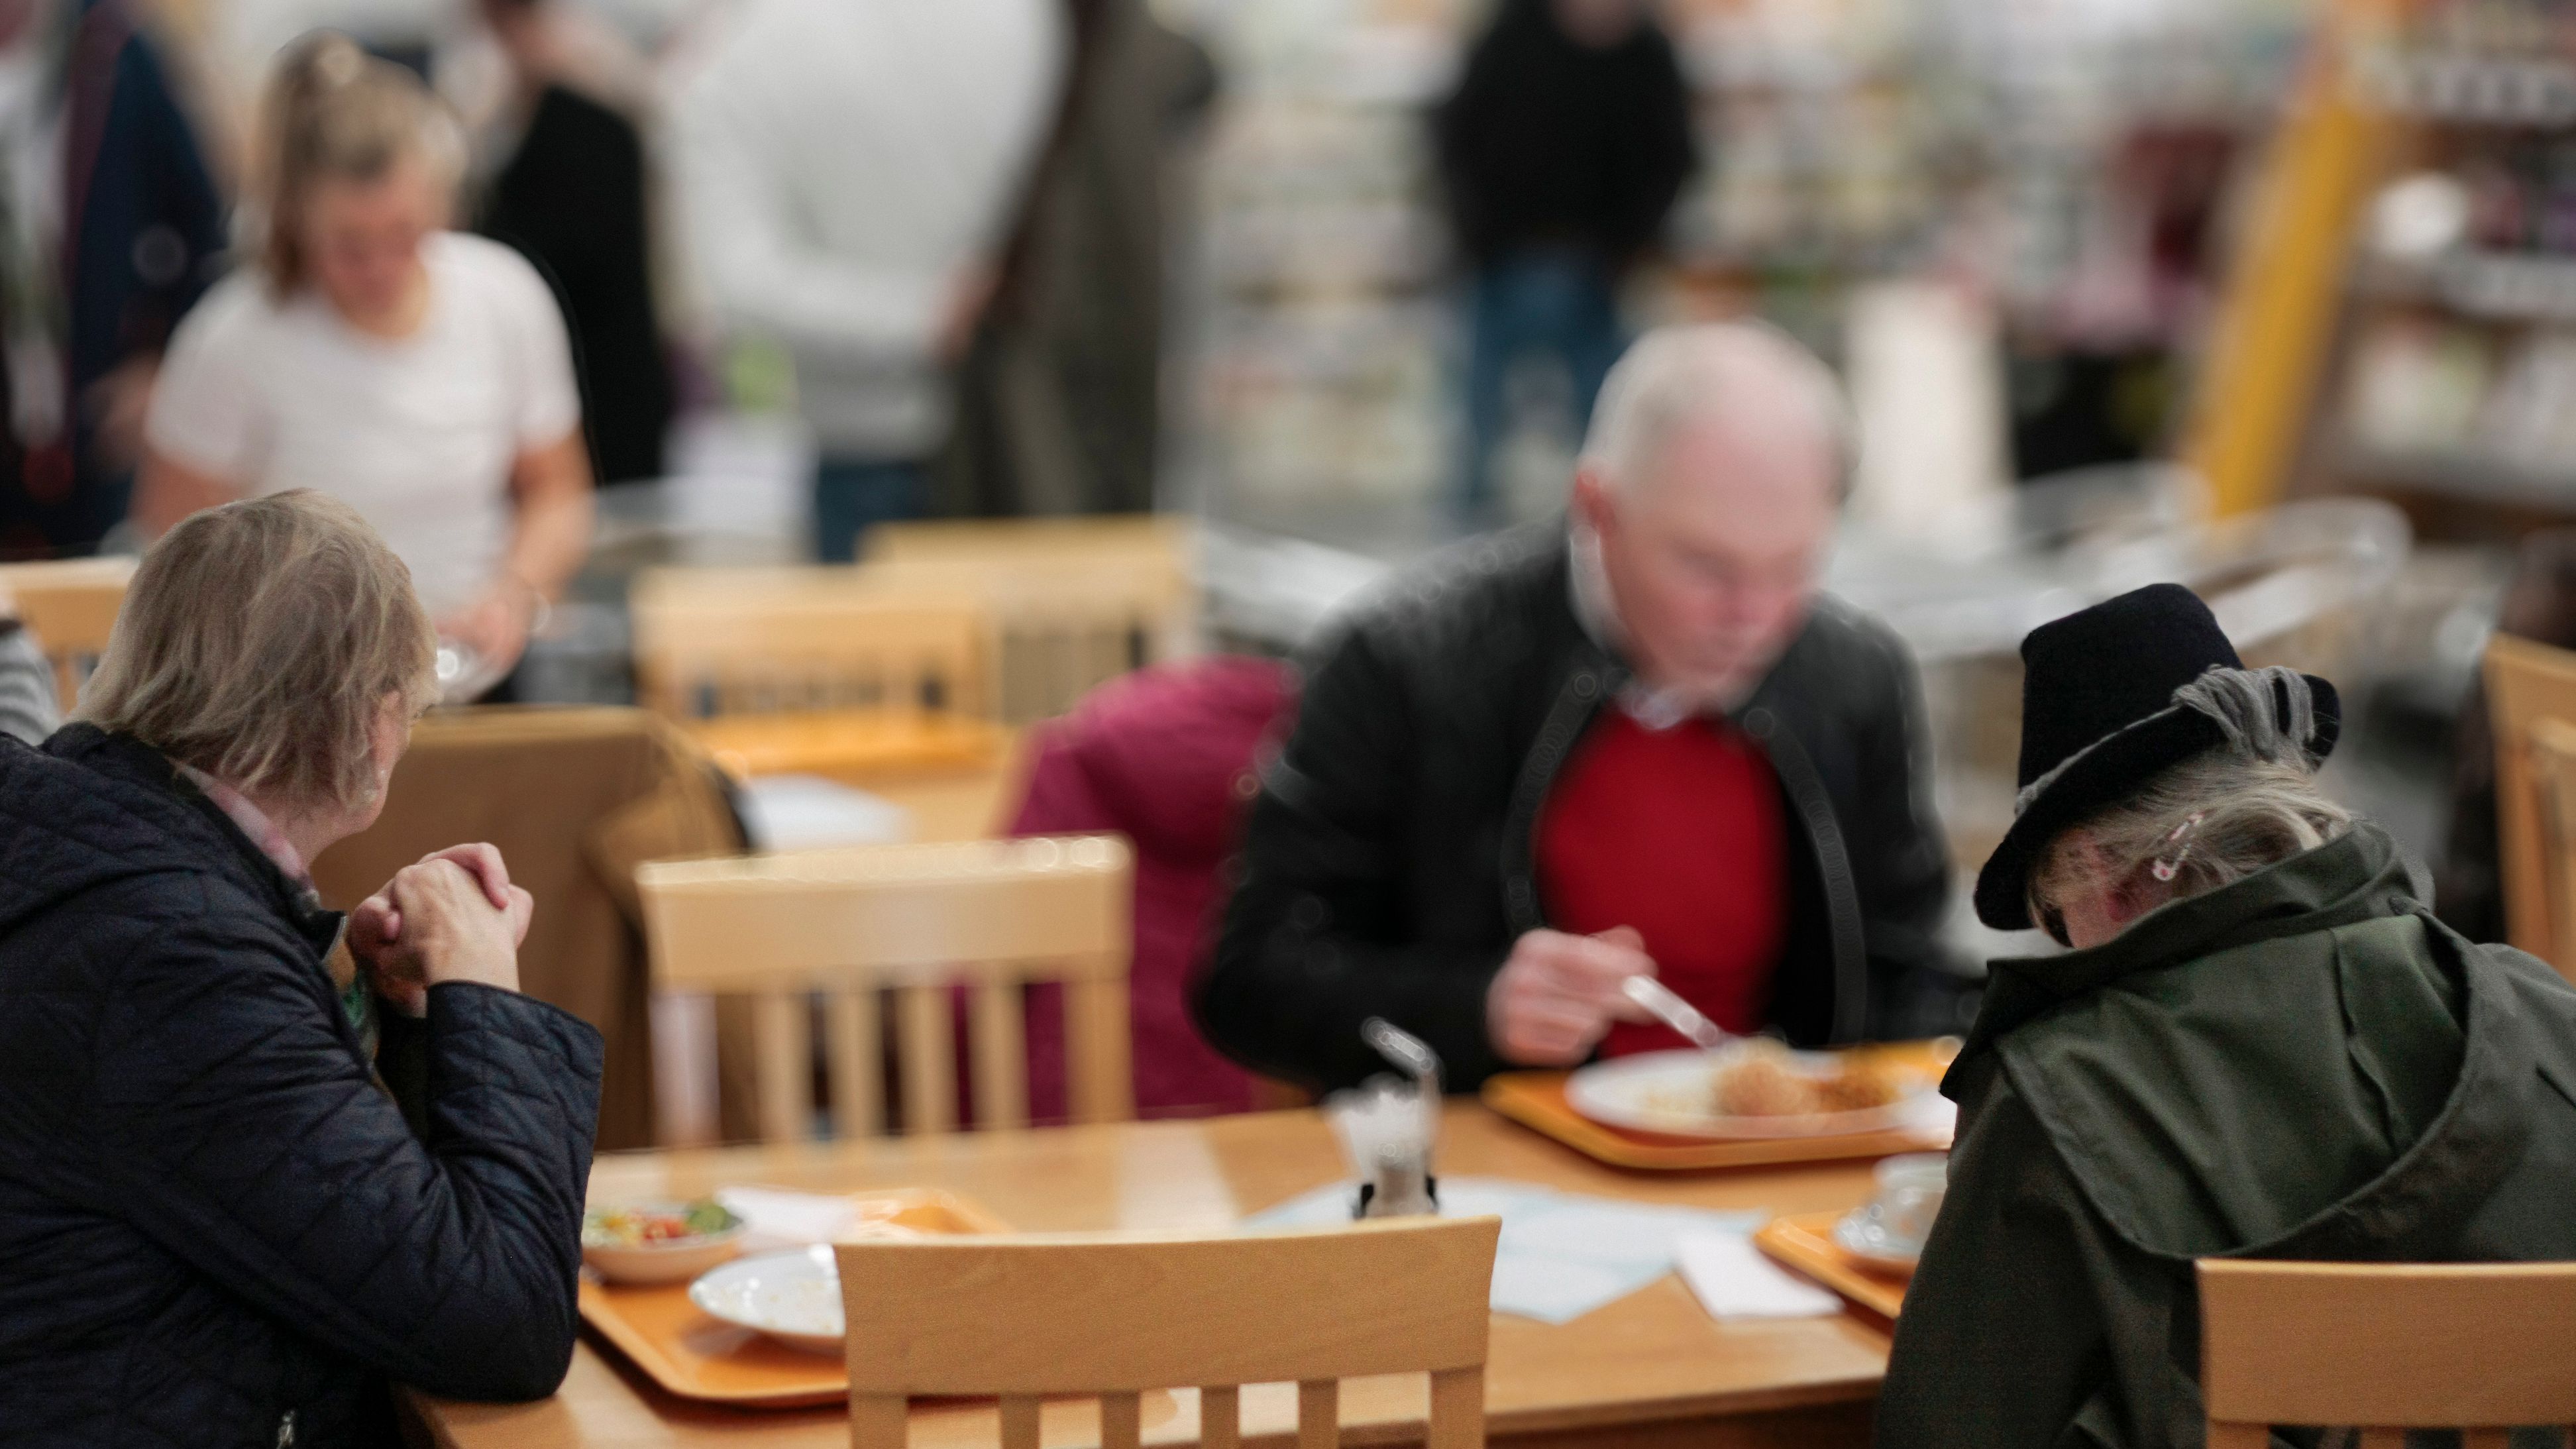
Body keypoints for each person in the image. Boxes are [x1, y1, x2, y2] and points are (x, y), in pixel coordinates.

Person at [1878, 583, 2576, 1448]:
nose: (2066, 946)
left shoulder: (2062, 1095)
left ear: (2095, 866)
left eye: (2055, 916)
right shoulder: (2546, 1016)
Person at [1195, 322, 1961, 1095]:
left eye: (1793, 567)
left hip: (1776, 1174)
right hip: (1496, 1171)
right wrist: (1475, 1008)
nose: (1754, 617)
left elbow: (1905, 977)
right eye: (1706, 566)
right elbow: (1249, 981)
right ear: (1596, 507)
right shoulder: (1406, 659)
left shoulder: (1855, 675)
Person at [0, 490, 601, 1446]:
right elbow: (503, 1321)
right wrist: (482, 987)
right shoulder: (178, 960)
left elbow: (350, 1228)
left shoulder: (90, 848)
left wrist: (392, 1006)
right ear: (370, 726)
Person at [132, 32, 593, 698]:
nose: (379, 269)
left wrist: (514, 593)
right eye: (349, 245)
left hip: (477, 675)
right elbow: (173, 553)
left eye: (403, 236)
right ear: (294, 222)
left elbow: (558, 492)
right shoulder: (234, 339)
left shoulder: (504, 298)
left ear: (442, 204)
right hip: (298, 701)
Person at [670, 0, 1062, 560]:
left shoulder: (742, 55)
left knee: (874, 640)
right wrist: (938, 313)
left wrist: (928, 317)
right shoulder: (1024, 18)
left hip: (868, 440)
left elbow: (741, 286)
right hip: (1026, 422)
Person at [1434, 0, 1695, 521]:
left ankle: (1599, 535)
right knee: (1479, 427)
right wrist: (1478, 232)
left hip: (1594, 269)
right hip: (1503, 258)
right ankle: (1467, 541)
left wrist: (1628, 245)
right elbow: (1457, 134)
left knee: (1602, 427)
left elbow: (1671, 156)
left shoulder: (1647, 51)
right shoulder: (1511, 34)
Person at [472, 0, 672, 488]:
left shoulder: (581, 123)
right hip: (581, 394)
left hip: (600, 401)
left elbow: (539, 258)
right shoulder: (527, 121)